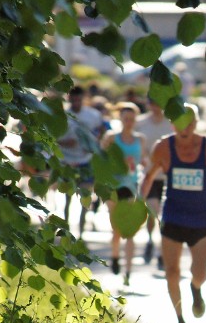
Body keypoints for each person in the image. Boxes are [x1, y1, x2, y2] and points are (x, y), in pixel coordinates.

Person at [140, 103, 206, 323]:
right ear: (172, 124)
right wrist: (140, 204)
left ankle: (195, 288)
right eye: (180, 123)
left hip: (201, 219)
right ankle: (180, 319)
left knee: (201, 273)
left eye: (189, 123)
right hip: (173, 216)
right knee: (171, 271)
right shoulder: (163, 148)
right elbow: (149, 176)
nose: (185, 128)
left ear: (196, 123)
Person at [100, 102, 147, 285]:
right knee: (117, 228)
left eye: (132, 119)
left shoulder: (140, 139)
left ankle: (128, 271)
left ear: (135, 120)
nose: (128, 122)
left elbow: (144, 159)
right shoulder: (112, 138)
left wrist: (147, 166)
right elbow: (101, 158)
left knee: (130, 230)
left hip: (130, 186)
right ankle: (115, 256)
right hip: (113, 187)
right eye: (125, 119)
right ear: (120, 119)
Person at [59, 85, 105, 238]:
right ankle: (66, 232)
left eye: (79, 100)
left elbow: (102, 129)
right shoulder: (63, 115)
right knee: (67, 198)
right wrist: (66, 143)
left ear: (83, 99)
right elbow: (53, 138)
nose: (76, 103)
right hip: (67, 161)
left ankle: (81, 235)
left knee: (85, 197)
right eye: (73, 100)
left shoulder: (93, 115)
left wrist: (93, 143)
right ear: (68, 98)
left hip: (86, 161)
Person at [136, 98, 174, 269]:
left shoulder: (171, 123)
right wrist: (143, 158)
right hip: (150, 175)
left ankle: (161, 252)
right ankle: (150, 240)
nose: (156, 106)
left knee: (164, 215)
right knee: (152, 211)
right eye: (153, 102)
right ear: (149, 104)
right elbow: (138, 145)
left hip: (168, 177)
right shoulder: (141, 123)